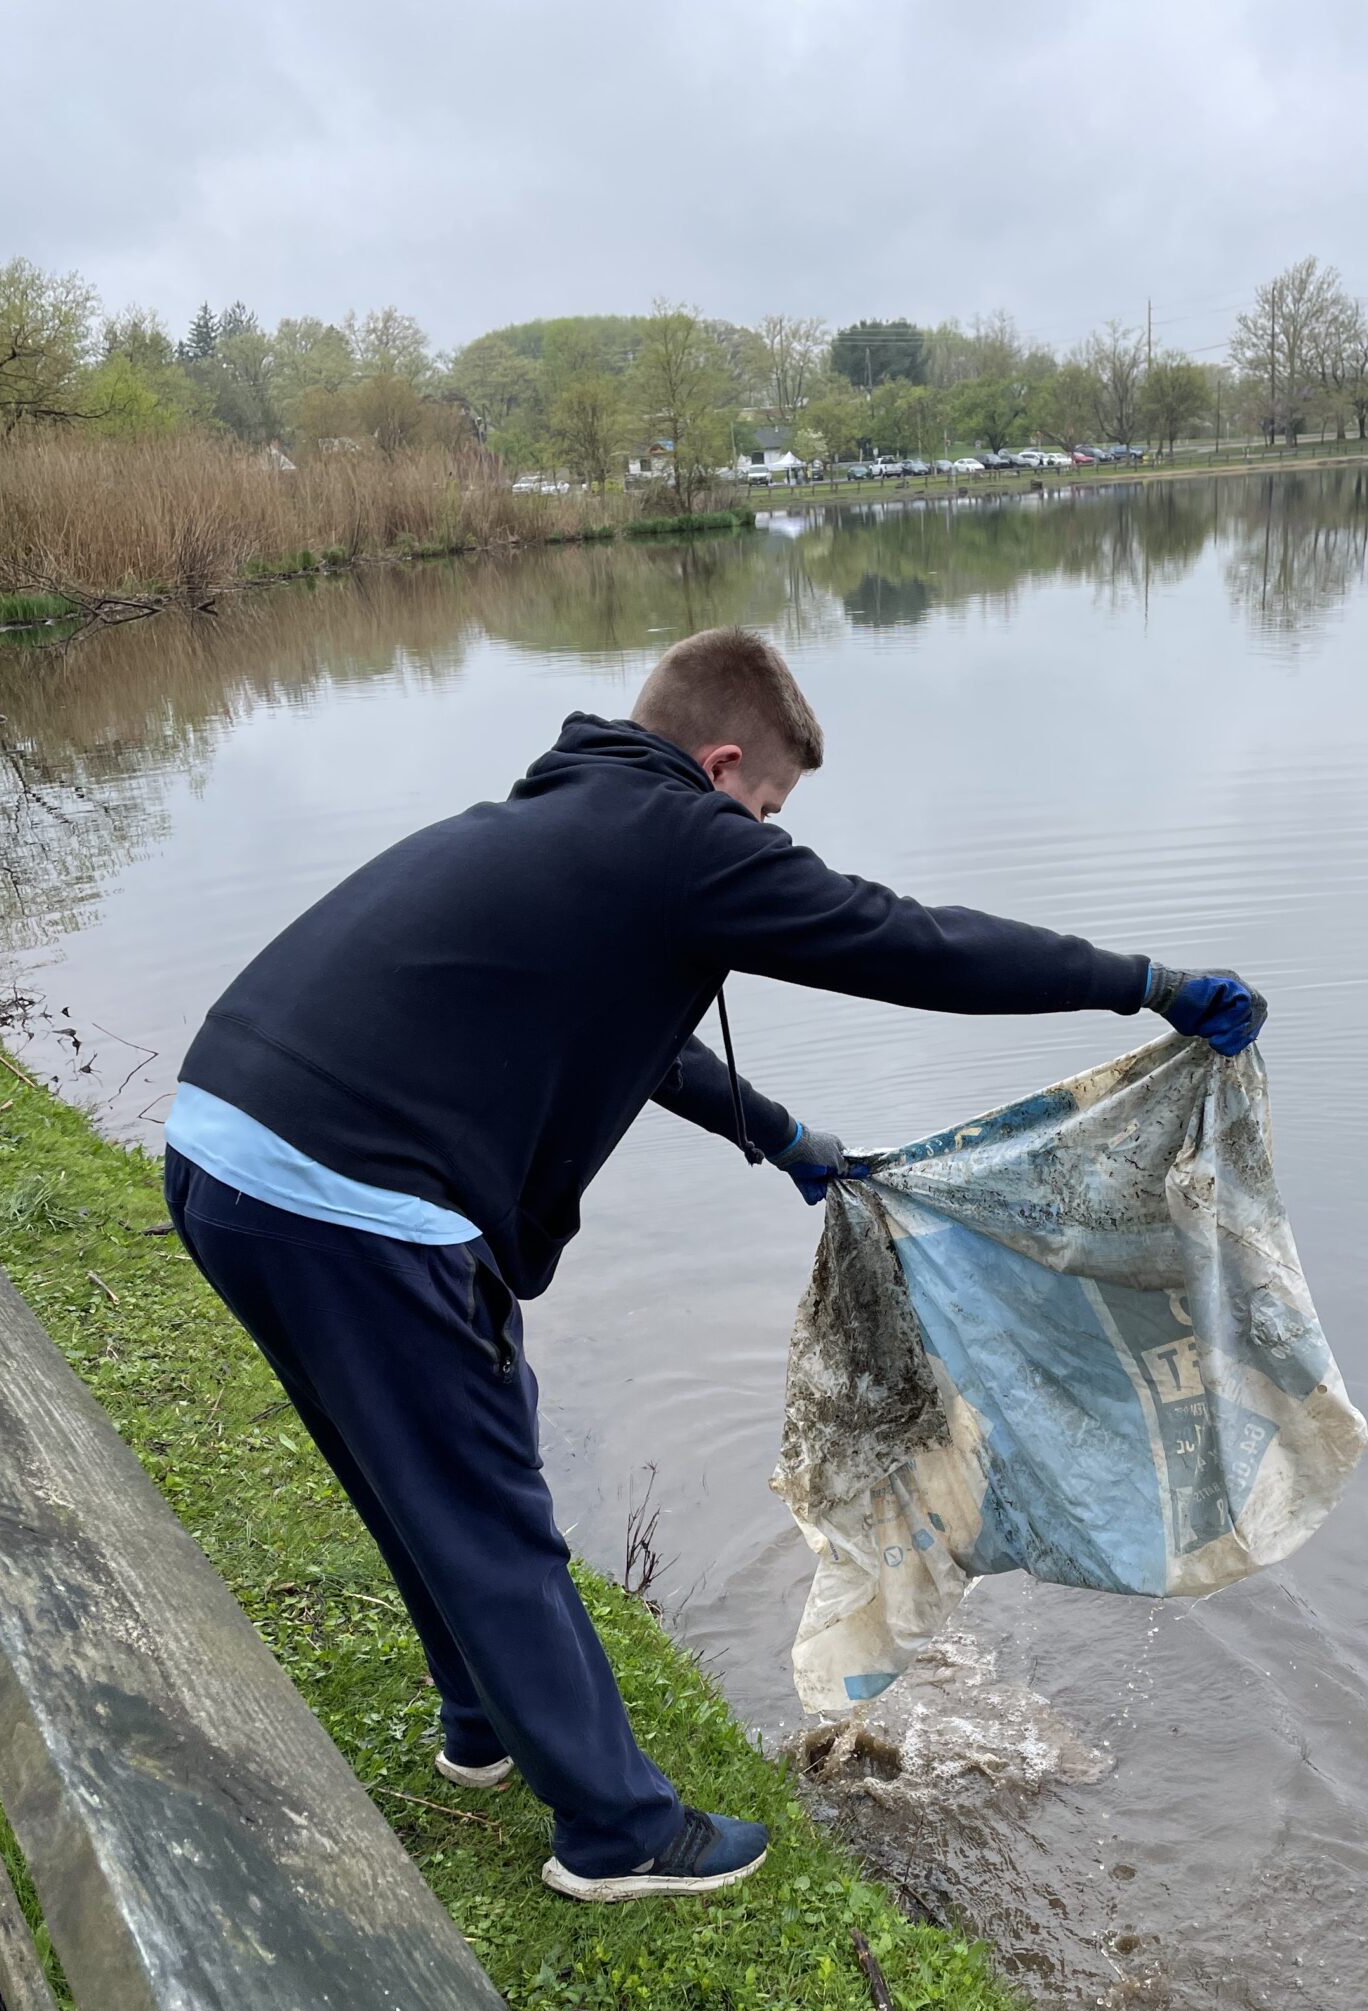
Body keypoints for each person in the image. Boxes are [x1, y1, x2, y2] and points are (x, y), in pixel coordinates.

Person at [163, 627, 1265, 1903]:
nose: (770, 835)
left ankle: (480, 1724)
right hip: (347, 1196)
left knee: (430, 1449)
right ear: (724, 759)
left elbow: (643, 1039)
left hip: (224, 1149)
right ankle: (617, 1835)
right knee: (483, 1503)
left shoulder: (582, 823)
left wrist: (784, 1135)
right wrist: (1143, 983)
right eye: (771, 806)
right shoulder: (680, 839)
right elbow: (908, 942)